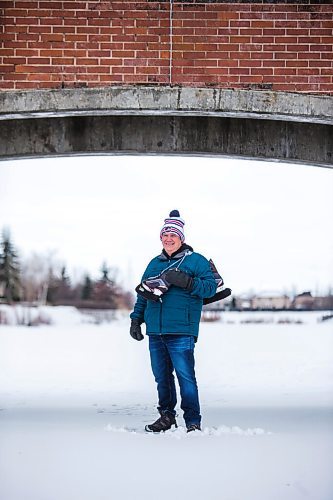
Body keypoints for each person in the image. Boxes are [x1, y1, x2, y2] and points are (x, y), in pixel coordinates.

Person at [129, 210, 217, 433]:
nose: (168, 239)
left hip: (181, 329)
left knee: (186, 377)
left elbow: (210, 288)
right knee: (162, 378)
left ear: (182, 238)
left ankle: (193, 421)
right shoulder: (154, 263)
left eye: (173, 236)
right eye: (165, 236)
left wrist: (187, 282)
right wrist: (136, 319)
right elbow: (143, 294)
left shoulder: (196, 261)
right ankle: (167, 416)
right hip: (156, 330)